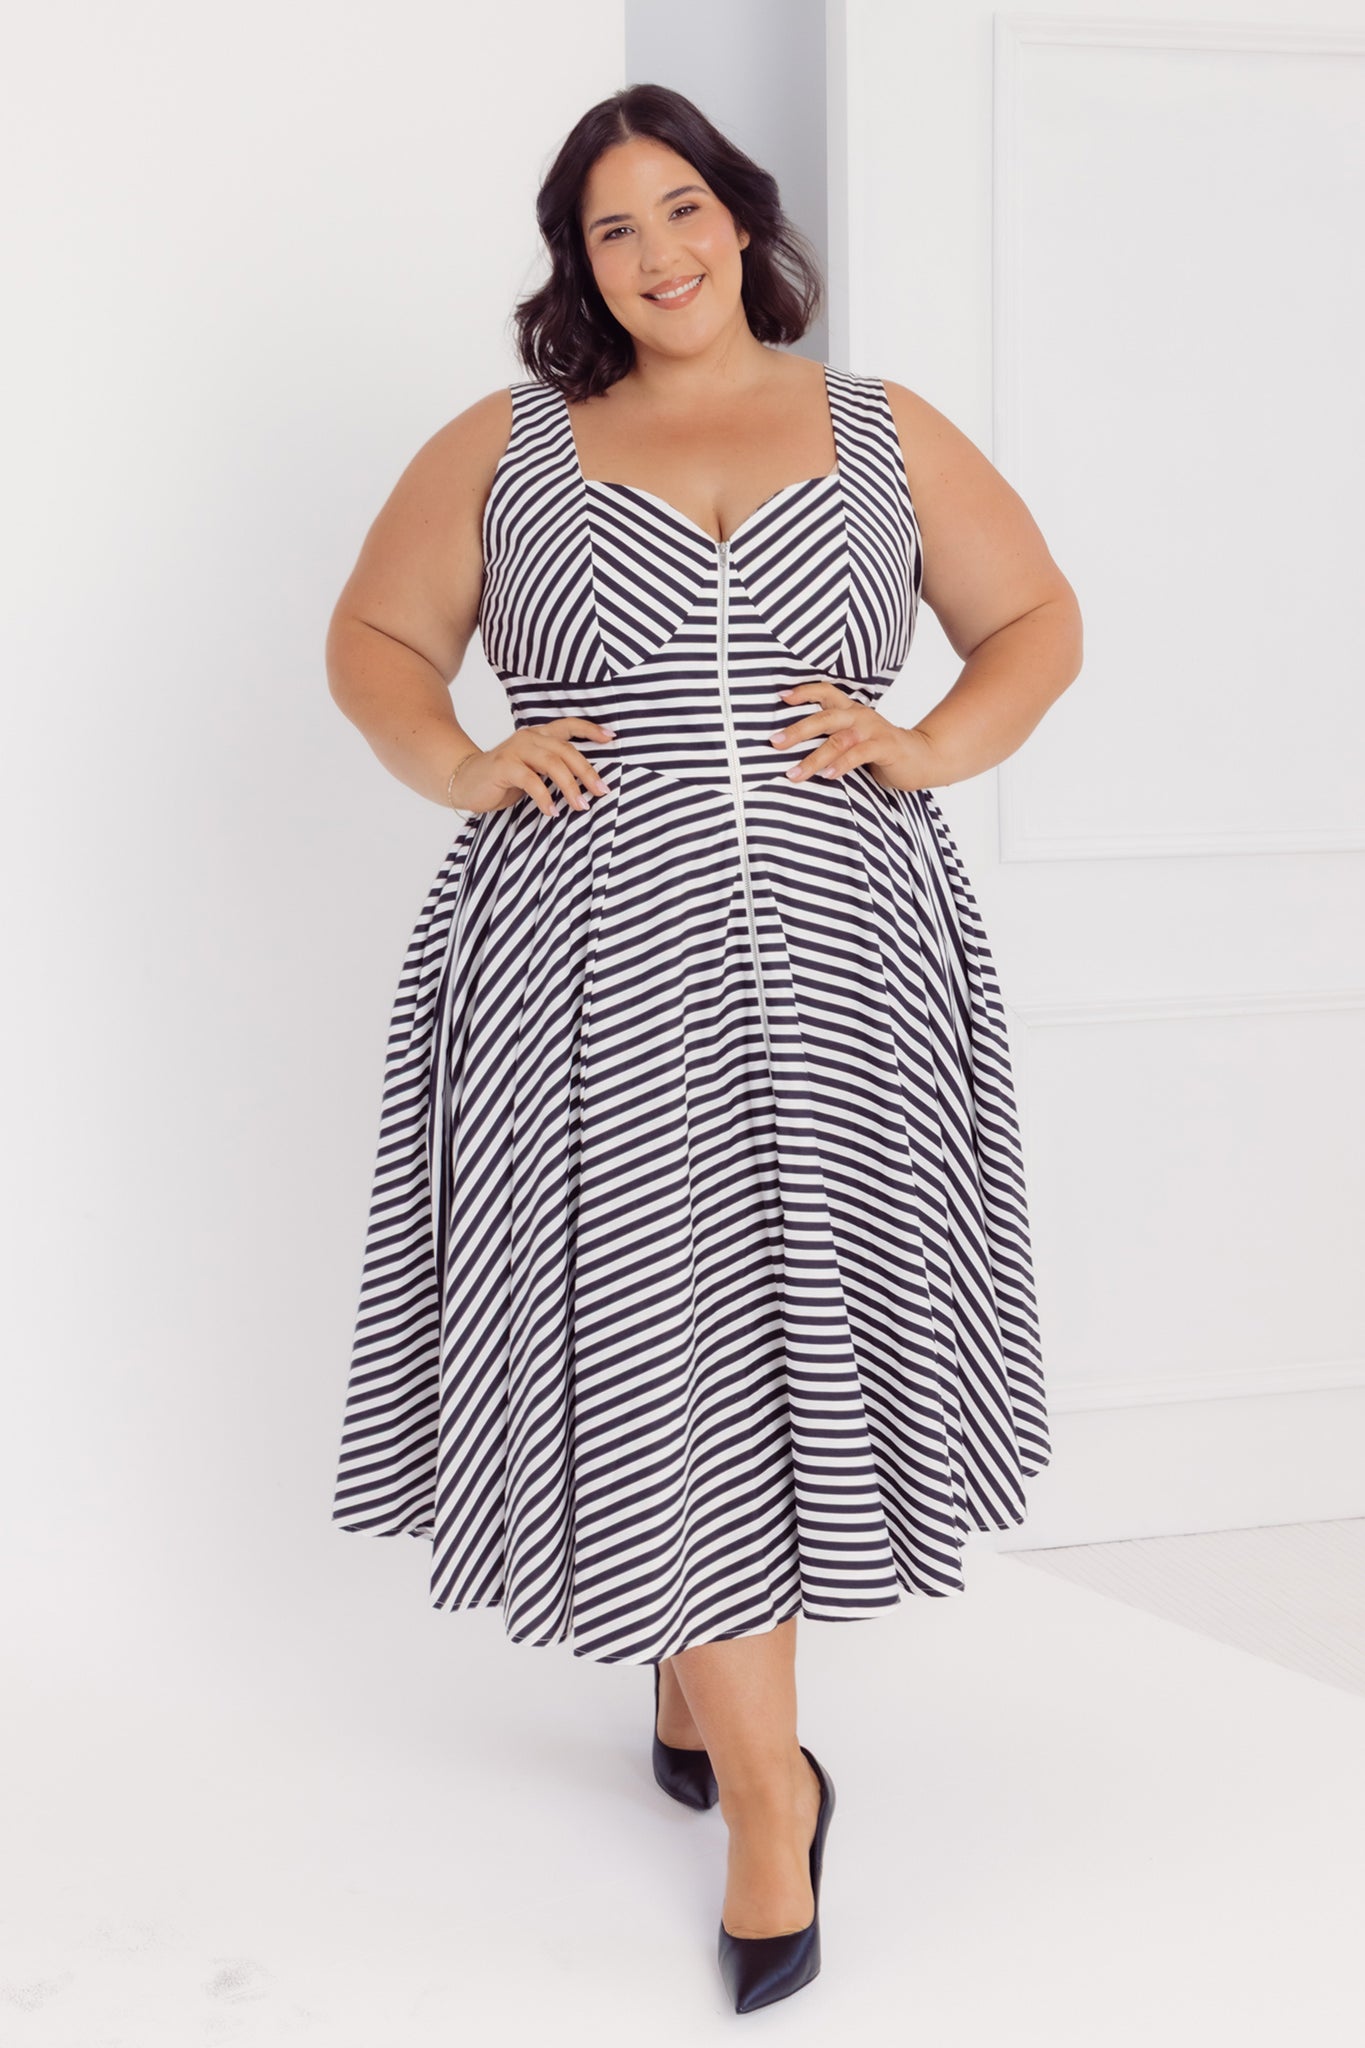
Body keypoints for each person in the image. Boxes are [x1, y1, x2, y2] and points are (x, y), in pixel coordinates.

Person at [326, 83, 1082, 2013]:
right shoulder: (510, 444)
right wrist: (461, 761)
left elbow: (1030, 620)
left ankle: (693, 1673)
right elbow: (377, 646)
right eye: (611, 229)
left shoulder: (879, 429)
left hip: (847, 965)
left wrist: (928, 742)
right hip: (580, 966)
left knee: (779, 1325)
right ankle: (769, 1795)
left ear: (741, 220)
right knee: (658, 1329)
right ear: (576, 268)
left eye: (681, 208)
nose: (656, 252)